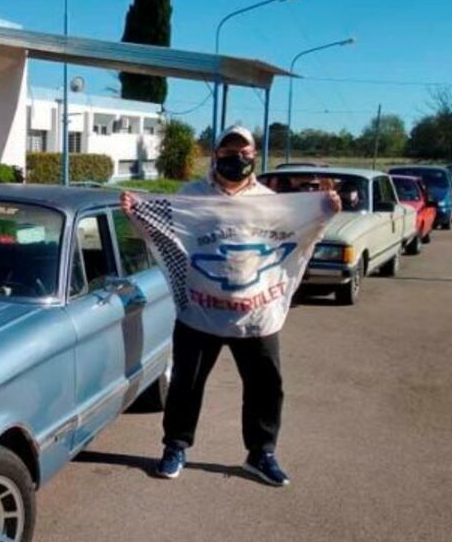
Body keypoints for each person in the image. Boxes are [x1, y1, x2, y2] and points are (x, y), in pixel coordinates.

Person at [121, 125, 340, 487]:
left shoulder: (271, 202)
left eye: (244, 153)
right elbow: (165, 231)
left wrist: (324, 211)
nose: (236, 158)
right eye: (229, 151)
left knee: (265, 386)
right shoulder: (193, 196)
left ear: (254, 157)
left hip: (255, 315)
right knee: (185, 385)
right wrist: (136, 212)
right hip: (200, 311)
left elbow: (299, 233)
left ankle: (261, 453)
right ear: (216, 155)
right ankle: (175, 446)